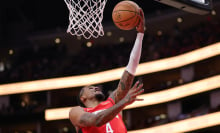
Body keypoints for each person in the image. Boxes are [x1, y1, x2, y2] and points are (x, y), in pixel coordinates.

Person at [69, 9, 145, 133]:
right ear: (82, 98)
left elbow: (130, 69)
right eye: (90, 88)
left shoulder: (111, 102)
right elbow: (97, 120)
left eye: (95, 86)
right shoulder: (77, 111)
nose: (95, 87)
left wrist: (140, 35)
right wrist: (123, 102)